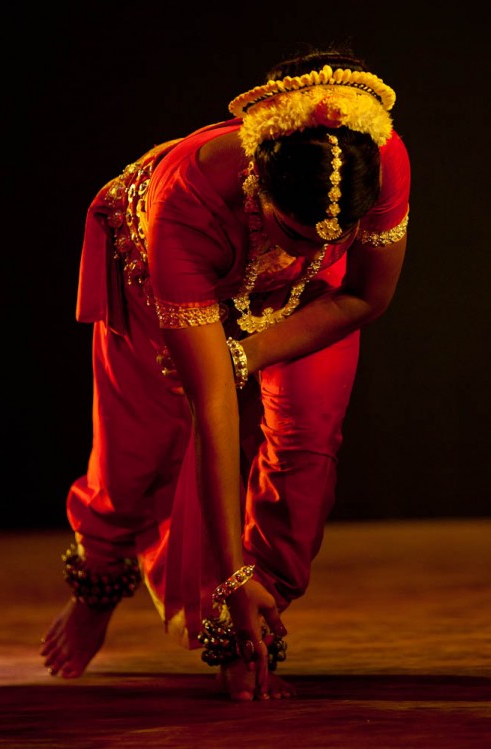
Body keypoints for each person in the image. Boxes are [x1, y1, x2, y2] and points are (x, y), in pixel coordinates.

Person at [40, 45, 411, 701]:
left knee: (307, 443)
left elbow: (365, 297)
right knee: (139, 450)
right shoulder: (185, 201)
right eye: (295, 233)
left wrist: (249, 351)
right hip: (166, 275)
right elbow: (213, 409)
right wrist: (226, 572)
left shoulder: (375, 162)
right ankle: (97, 586)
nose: (318, 248)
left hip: (306, 299)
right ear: (257, 187)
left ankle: (248, 630)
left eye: (335, 236)